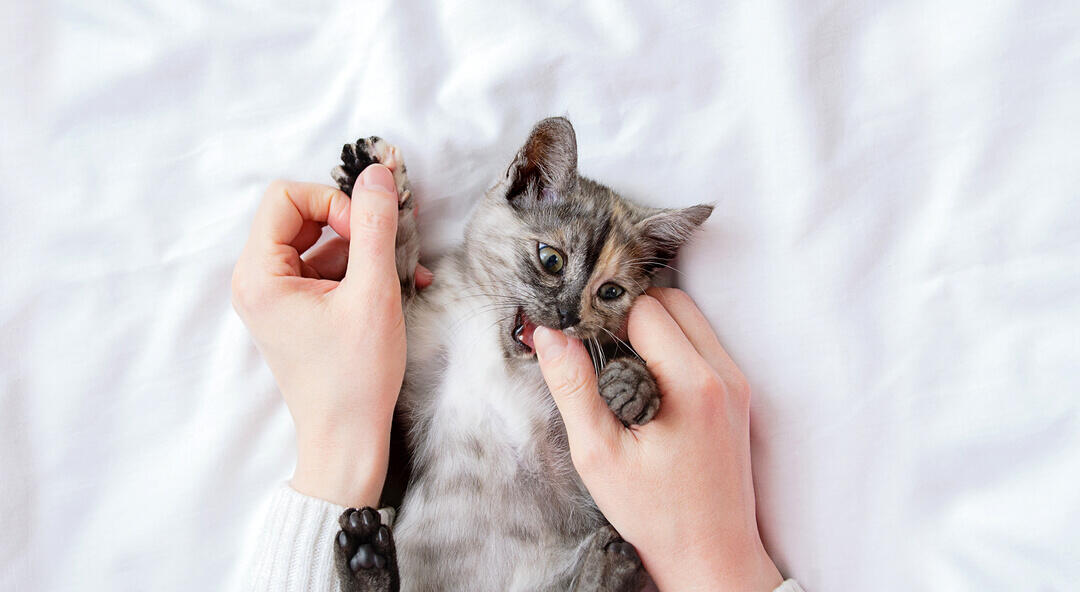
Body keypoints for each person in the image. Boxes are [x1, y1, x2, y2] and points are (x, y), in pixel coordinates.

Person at [232, 165, 803, 592]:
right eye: (551, 262)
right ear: (522, 182)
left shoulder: (585, 362)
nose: (568, 311)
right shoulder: (463, 301)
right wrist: (394, 241)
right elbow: (400, 377)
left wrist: (629, 380)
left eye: (607, 293)